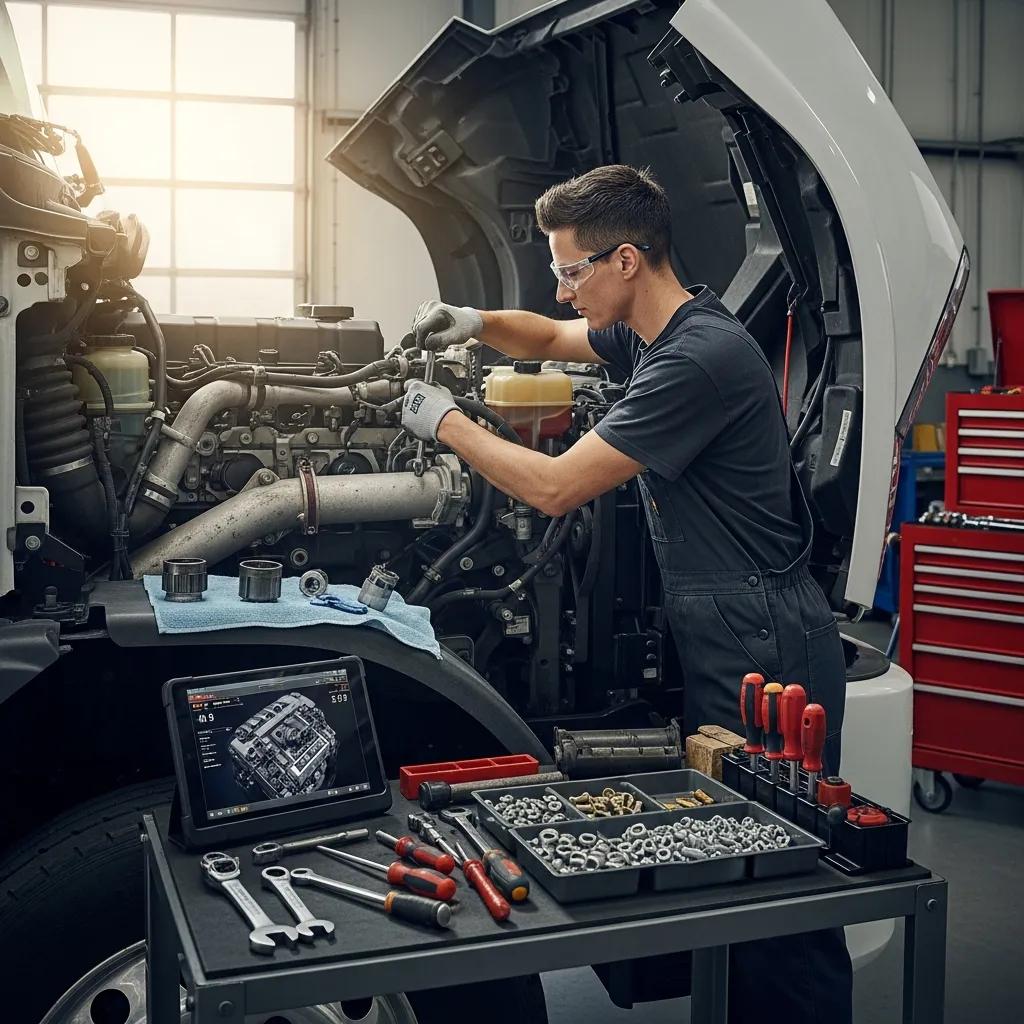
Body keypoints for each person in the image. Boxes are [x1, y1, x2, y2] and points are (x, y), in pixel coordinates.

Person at [400, 164, 852, 1023]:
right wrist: (473, 320)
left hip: (762, 634)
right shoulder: (652, 333)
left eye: (572, 270)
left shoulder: (697, 358)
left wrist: (446, 424)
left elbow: (557, 489)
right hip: (726, 619)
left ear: (628, 262)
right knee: (741, 872)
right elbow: (542, 339)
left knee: (784, 889)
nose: (560, 287)